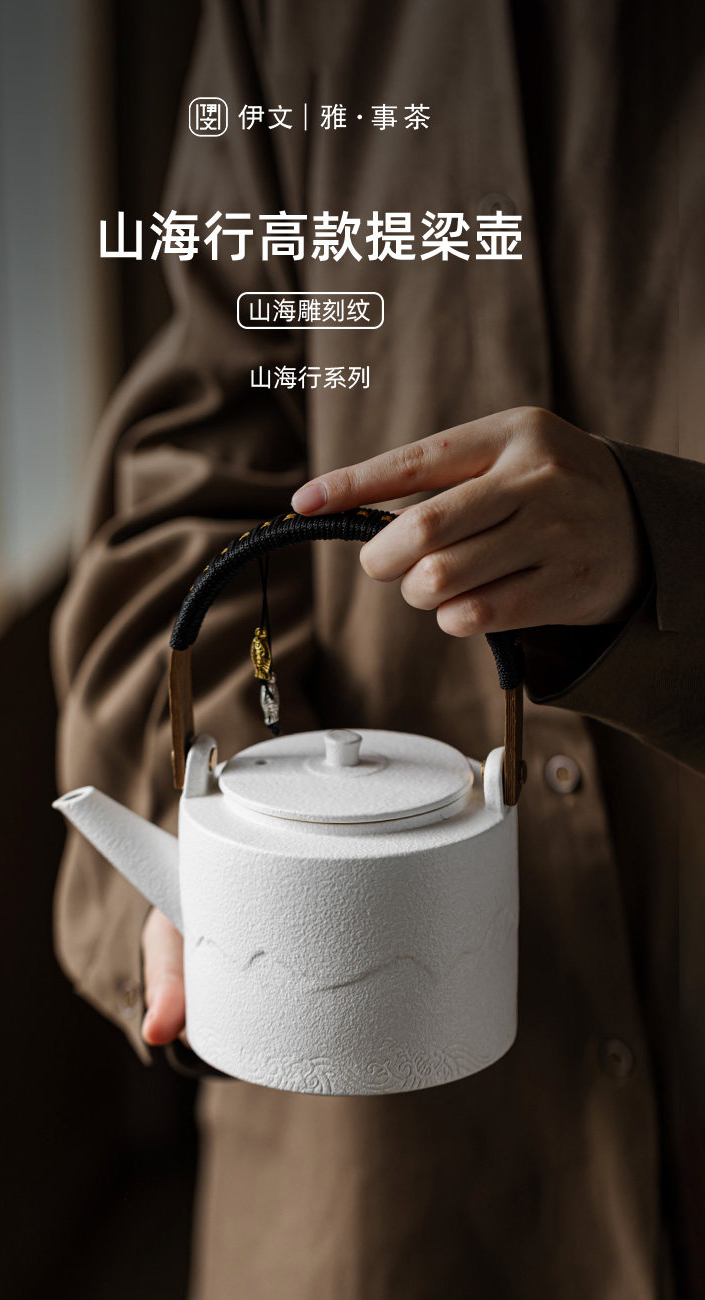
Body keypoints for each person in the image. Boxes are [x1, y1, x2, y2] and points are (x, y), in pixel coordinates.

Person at [52, 1, 704, 1295]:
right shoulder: (293, 23)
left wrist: (668, 547)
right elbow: (192, 475)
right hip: (383, 1185)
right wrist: (206, 820)